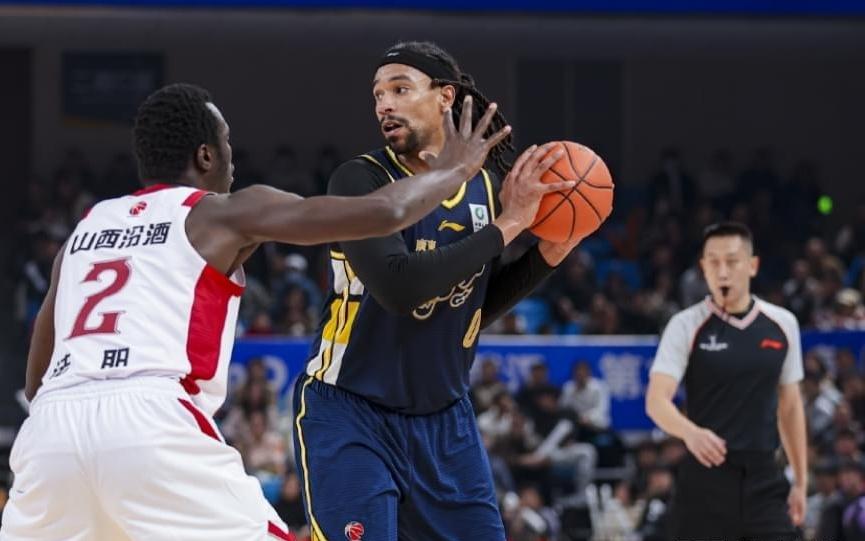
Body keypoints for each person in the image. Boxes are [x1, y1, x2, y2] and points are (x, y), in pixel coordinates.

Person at [0, 81, 525, 541]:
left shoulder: (88, 227)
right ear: (206, 155)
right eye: (227, 144)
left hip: (49, 434)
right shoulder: (223, 212)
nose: (233, 160)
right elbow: (385, 211)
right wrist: (457, 169)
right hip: (149, 418)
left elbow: (35, 378)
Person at [293, 41, 584, 540]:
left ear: (445, 97)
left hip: (446, 423)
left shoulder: (485, 188)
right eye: (378, 94)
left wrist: (547, 256)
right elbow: (400, 288)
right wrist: (512, 224)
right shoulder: (360, 180)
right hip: (351, 414)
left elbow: (471, 307)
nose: (384, 104)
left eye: (400, 89)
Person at [646, 221, 807, 541]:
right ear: (703, 268)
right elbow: (656, 401)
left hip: (764, 477)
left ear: (752, 265)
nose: (722, 272)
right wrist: (690, 433)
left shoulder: (782, 324)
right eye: (714, 262)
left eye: (732, 262)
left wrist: (801, 482)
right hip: (705, 478)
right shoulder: (685, 324)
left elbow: (790, 406)